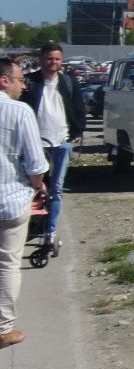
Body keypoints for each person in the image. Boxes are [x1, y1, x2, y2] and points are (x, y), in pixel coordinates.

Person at [20, 43, 86, 256]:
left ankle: (50, 231)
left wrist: (77, 130)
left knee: (56, 189)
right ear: (41, 60)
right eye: (49, 58)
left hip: (62, 142)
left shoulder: (68, 82)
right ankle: (26, 227)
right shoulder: (29, 82)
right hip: (35, 144)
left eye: (57, 59)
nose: (53, 62)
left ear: (61, 60)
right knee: (33, 188)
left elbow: (79, 108)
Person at [1, 58, 48, 350]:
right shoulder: (19, 111)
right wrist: (38, 185)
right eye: (20, 79)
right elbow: (35, 164)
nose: (24, 86)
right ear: (4, 80)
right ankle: (2, 327)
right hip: (9, 200)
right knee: (7, 263)